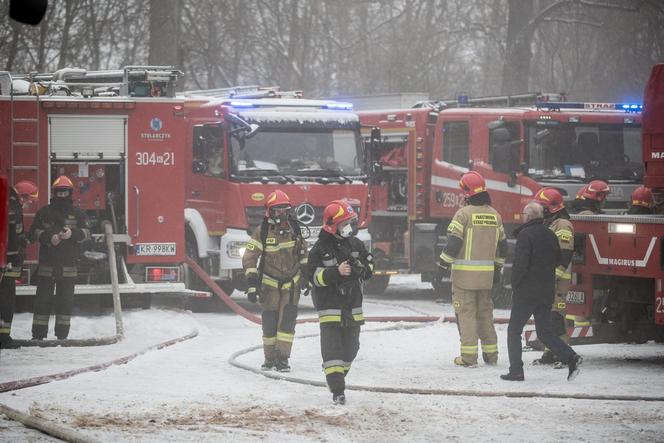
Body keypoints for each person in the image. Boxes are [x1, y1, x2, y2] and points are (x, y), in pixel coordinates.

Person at [501, 202, 582, 382]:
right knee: (545, 332)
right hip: (546, 291)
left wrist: (515, 285)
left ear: (528, 216)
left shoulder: (525, 235)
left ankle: (516, 371)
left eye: (523, 214)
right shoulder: (550, 234)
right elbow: (558, 259)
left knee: (514, 330)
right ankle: (571, 357)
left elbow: (520, 265)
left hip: (527, 292)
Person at [438, 171, 507, 367]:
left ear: (467, 193)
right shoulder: (495, 215)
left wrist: (442, 266)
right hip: (486, 278)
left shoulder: (463, 214)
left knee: (466, 314)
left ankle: (468, 358)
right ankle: (491, 355)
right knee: (485, 314)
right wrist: (498, 269)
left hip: (464, 279)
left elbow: (453, 244)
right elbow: (503, 247)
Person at [308, 200, 373, 405]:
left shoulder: (355, 244)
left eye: (350, 222)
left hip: (352, 307)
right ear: (332, 225)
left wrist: (361, 267)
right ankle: (337, 389)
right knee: (332, 351)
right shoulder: (319, 249)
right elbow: (312, 277)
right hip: (331, 309)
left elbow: (369, 268)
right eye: (345, 223)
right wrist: (335, 272)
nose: (349, 227)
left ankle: (335, 375)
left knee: (351, 349)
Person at [242, 190, 308, 372]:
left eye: (284, 210)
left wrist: (307, 275)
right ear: (269, 212)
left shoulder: (294, 229)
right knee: (270, 323)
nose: (281, 214)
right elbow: (249, 258)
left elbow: (303, 253)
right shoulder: (262, 232)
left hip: (291, 286)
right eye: (277, 210)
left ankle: (283, 358)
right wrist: (252, 284)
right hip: (269, 288)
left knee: (287, 324)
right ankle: (269, 358)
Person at [30, 176, 90, 340]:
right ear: (54, 193)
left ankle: (62, 336)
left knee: (65, 302)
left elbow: (87, 233)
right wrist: (49, 238)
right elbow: (33, 232)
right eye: (59, 192)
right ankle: (38, 335)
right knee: (42, 302)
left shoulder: (78, 214)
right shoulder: (44, 212)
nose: (62, 196)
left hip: (68, 266)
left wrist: (73, 234)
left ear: (70, 193)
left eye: (65, 192)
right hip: (47, 266)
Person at [533, 187, 574, 367]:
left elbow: (565, 254)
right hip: (550, 279)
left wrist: (551, 277)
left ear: (552, 207)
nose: (540, 210)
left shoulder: (563, 225)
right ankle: (551, 352)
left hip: (559, 280)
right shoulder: (551, 223)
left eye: (542, 206)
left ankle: (565, 356)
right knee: (549, 316)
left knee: (558, 317)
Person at [0, 181, 38, 348]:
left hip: (6, 262)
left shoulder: (10, 205)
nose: (30, 203)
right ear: (22, 195)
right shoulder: (13, 209)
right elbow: (10, 239)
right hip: (7, 264)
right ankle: (4, 338)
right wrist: (15, 255)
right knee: (6, 301)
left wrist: (25, 239)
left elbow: (14, 236)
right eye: (29, 199)